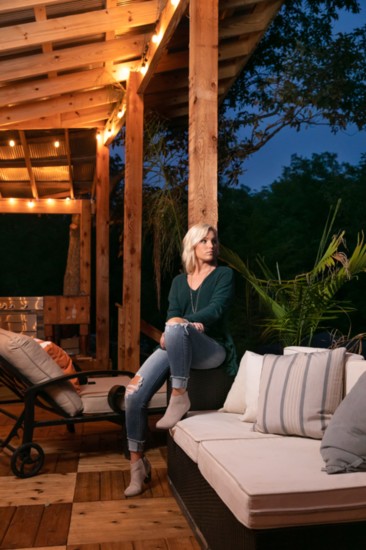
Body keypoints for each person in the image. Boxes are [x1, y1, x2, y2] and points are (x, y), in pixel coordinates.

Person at [124, 223, 236, 496]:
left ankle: (178, 393)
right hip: (179, 340)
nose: (211, 245)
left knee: (175, 326)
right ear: (192, 247)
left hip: (212, 348)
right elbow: (173, 313)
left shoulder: (224, 274)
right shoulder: (178, 282)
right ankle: (137, 465)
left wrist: (185, 323)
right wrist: (176, 328)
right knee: (133, 395)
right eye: (204, 241)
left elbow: (216, 310)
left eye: (214, 241)